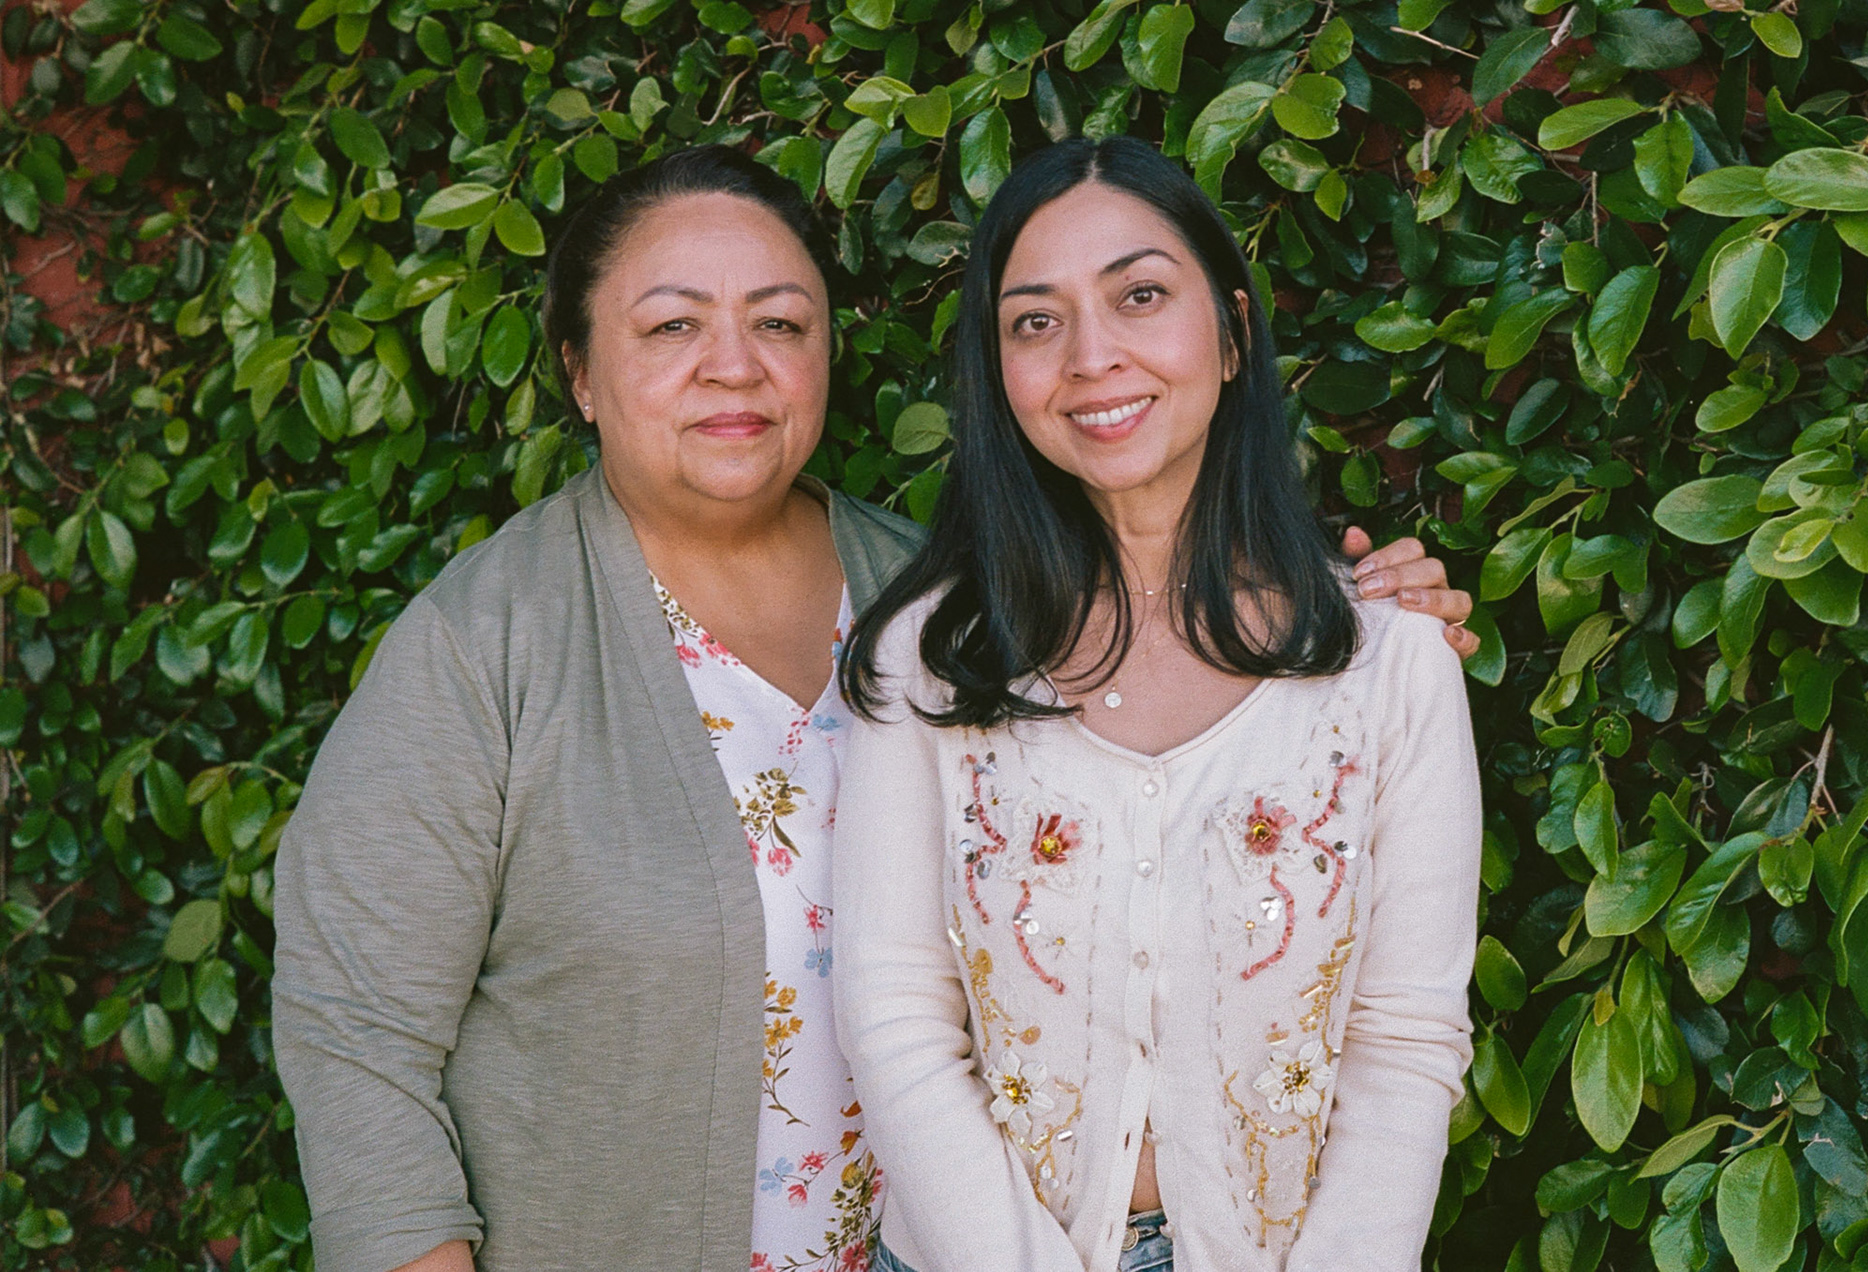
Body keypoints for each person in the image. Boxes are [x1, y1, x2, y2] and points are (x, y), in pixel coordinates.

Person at [270, 145, 1474, 1272]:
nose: (733, 364)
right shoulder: (485, 646)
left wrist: (1375, 621)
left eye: (779, 323)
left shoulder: (942, 609)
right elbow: (353, 1034)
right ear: (581, 372)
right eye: (673, 325)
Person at [835, 136, 1482, 1272]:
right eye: (1036, 321)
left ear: (1232, 332)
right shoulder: (931, 660)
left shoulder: (1388, 659)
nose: (1092, 357)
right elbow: (895, 1020)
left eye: (1140, 296)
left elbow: (1405, 1039)